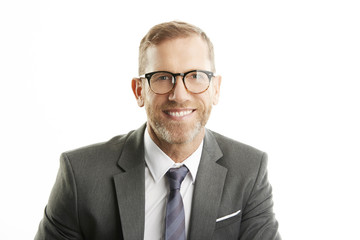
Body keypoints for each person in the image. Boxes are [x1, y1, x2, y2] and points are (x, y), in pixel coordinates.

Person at [35, 21, 281, 240]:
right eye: (163, 77)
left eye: (195, 75)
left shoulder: (249, 170)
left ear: (215, 88)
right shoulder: (81, 175)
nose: (179, 95)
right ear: (139, 91)